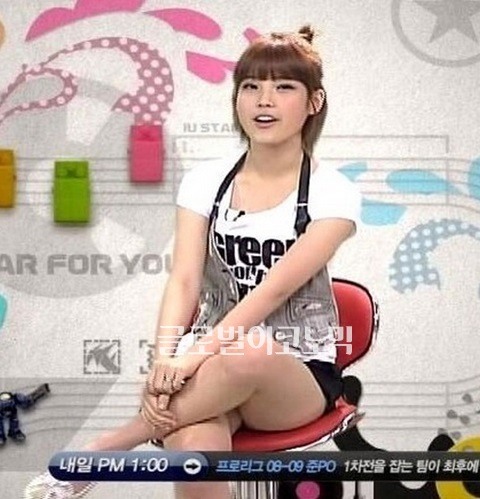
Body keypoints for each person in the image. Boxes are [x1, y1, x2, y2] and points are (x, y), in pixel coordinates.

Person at [25, 24, 362, 499]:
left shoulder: (334, 192)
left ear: (314, 102)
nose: (264, 101)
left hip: (294, 377)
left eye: (284, 87)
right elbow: (184, 280)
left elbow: (276, 290)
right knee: (193, 449)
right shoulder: (205, 181)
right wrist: (165, 359)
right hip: (203, 367)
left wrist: (187, 362)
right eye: (251, 87)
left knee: (250, 348)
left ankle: (106, 450)